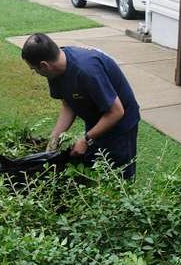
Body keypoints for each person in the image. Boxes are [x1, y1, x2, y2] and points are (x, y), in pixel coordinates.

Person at [21, 33, 140, 180]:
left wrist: (85, 139)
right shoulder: (55, 72)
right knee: (92, 172)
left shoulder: (87, 71)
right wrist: (53, 141)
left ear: (44, 65)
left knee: (118, 179)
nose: (35, 73)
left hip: (120, 126)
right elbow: (68, 105)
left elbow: (116, 112)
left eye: (34, 69)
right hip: (96, 120)